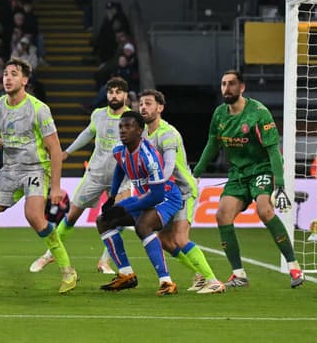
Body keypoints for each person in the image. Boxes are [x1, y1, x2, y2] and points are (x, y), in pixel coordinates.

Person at [0, 58, 77, 293]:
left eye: (14, 74)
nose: (8, 78)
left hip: (36, 168)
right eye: (6, 74)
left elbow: (55, 150)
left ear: (25, 81)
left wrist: (56, 187)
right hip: (10, 170)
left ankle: (68, 270)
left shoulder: (38, 109)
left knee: (34, 217)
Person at [193, 70, 303, 288]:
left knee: (264, 209)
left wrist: (279, 185)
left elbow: (273, 150)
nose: (227, 88)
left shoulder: (259, 113)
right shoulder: (219, 114)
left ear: (242, 87)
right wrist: (196, 172)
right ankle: (239, 274)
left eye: (232, 84)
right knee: (222, 215)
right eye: (223, 84)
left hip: (261, 169)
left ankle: (293, 266)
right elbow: (212, 144)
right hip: (237, 174)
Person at [29, 77, 132, 274]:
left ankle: (104, 262)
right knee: (72, 216)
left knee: (119, 218)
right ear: (107, 94)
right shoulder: (98, 115)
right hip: (95, 174)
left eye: (119, 92)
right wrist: (67, 152)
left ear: (126, 95)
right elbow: (87, 134)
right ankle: (49, 254)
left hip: (122, 177)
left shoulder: (133, 118)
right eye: (111, 91)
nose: (114, 95)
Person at [139, 89, 225, 294]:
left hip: (182, 190)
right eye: (141, 103)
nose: (143, 107)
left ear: (160, 108)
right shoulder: (142, 133)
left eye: (148, 103)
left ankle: (213, 281)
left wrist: (154, 185)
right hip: (165, 192)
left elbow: (168, 166)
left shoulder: (168, 134)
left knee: (180, 238)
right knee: (164, 241)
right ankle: (200, 275)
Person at [97, 111, 182, 295]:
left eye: (128, 127)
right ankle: (127, 275)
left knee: (143, 225)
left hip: (166, 197)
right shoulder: (120, 149)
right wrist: (112, 198)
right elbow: (121, 167)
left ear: (139, 131)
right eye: (121, 126)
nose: (122, 130)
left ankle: (166, 282)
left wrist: (124, 208)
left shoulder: (148, 157)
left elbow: (157, 196)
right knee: (103, 220)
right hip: (146, 197)